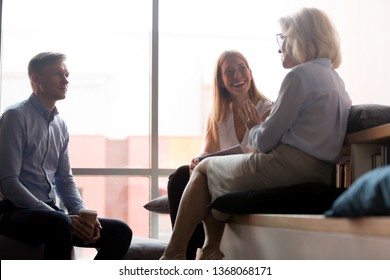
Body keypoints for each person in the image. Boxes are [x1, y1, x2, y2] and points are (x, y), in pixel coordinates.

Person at [161, 7, 352, 260]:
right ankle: (210, 250)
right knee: (207, 171)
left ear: (301, 40)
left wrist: (253, 127)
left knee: (204, 169)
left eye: (283, 38)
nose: (279, 46)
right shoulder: (336, 81)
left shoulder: (299, 76)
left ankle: (174, 253)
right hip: (319, 171)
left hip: (286, 168)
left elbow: (263, 142)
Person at [0, 52, 133, 260]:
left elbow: (64, 179)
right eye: (58, 74)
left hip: (51, 214)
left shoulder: (60, 126)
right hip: (13, 211)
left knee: (120, 231)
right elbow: (9, 182)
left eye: (67, 74)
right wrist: (57, 215)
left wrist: (83, 215)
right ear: (36, 79)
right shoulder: (15, 117)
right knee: (60, 223)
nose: (66, 80)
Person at [167, 50, 273, 259]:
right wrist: (198, 160)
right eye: (229, 71)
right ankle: (196, 252)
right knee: (180, 176)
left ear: (250, 73)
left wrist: (255, 127)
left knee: (209, 177)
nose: (237, 75)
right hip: (223, 175)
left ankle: (185, 251)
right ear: (222, 81)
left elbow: (266, 152)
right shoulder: (218, 114)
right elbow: (207, 152)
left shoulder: (267, 109)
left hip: (251, 175)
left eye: (242, 68)